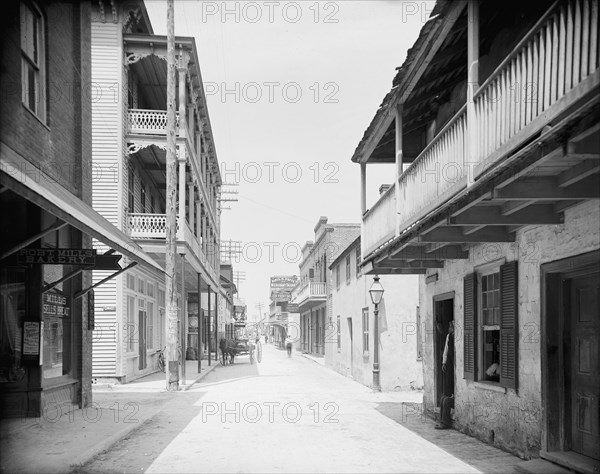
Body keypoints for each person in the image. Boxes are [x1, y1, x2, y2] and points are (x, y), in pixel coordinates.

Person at [435, 320, 454, 429]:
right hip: (450, 362)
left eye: (451, 326)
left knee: (446, 400)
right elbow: (446, 350)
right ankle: (442, 421)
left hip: (454, 363)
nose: (449, 328)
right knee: (443, 398)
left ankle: (445, 423)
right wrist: (444, 362)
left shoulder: (457, 336)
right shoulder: (449, 336)